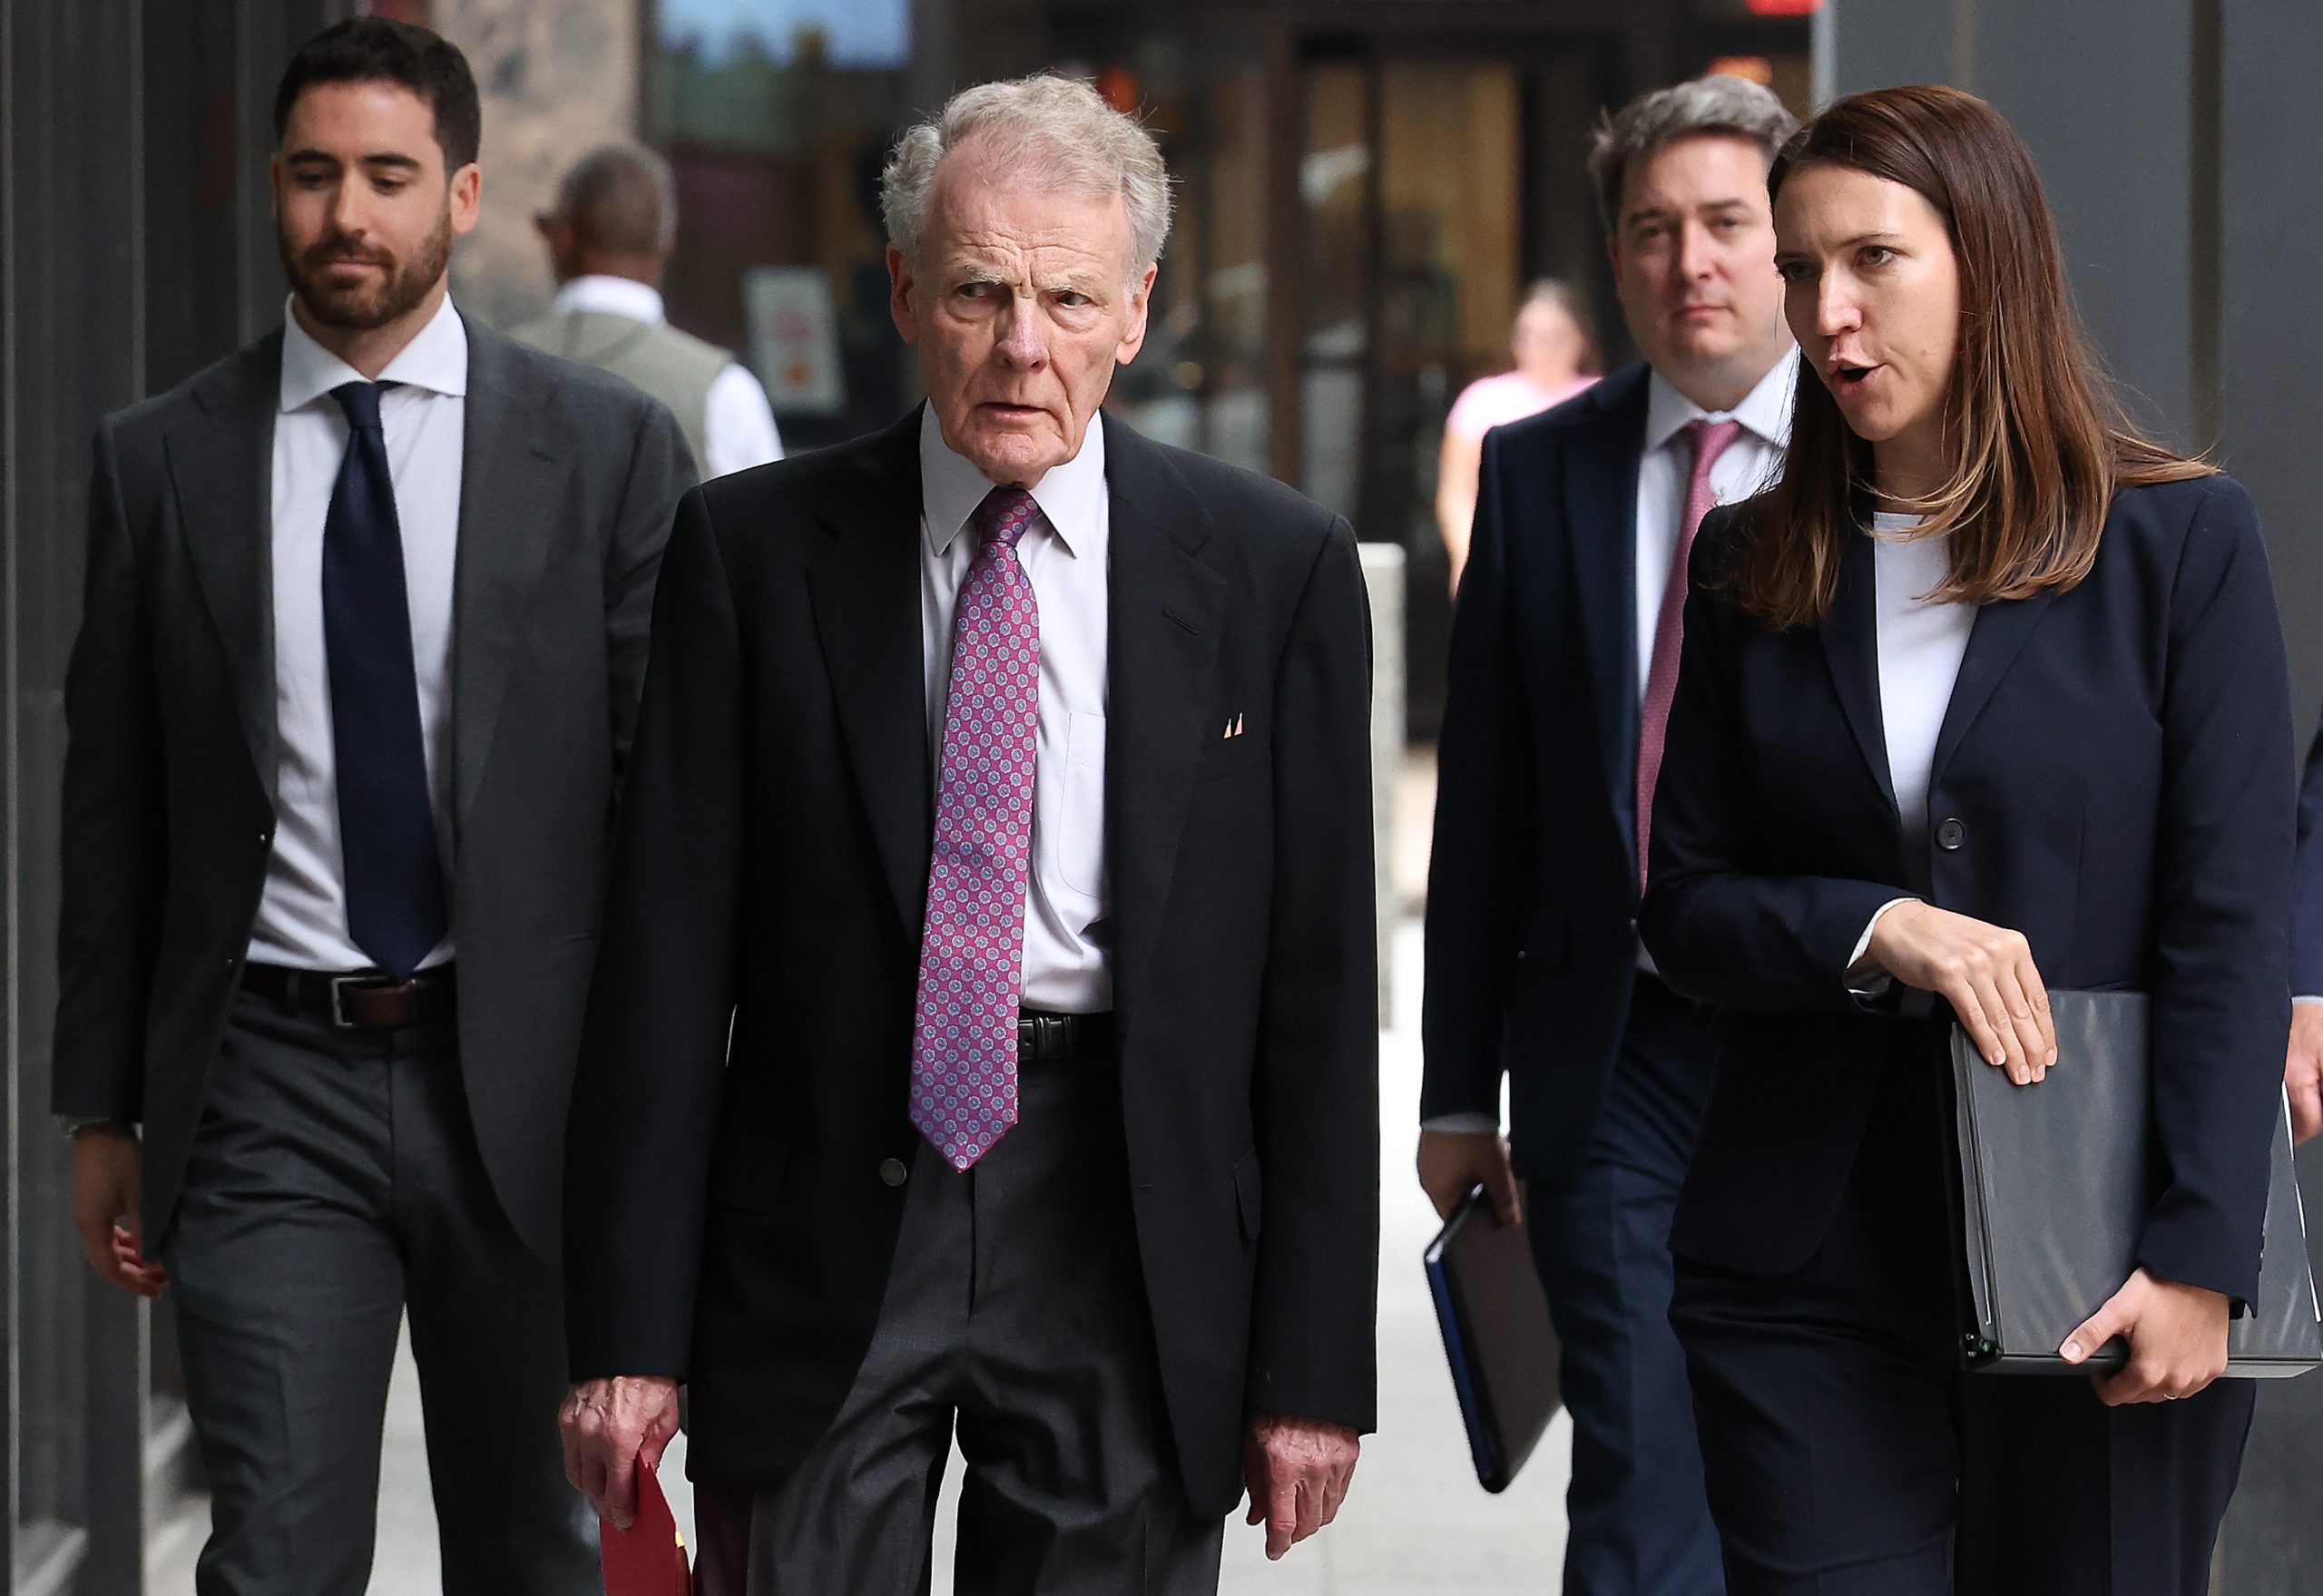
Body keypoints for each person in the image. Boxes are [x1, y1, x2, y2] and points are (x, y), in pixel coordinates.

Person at [555, 74, 1379, 1594]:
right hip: (818, 1211)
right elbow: (664, 970)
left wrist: (1313, 1361)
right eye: (982, 289)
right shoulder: (747, 555)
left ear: (1137, 311)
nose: (1022, 343)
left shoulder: (1278, 571)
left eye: (1069, 297)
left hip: (1125, 1215)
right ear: (904, 290)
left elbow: (1321, 998)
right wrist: (624, 1332)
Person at [51, 18, 695, 1594]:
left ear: (465, 194)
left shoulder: (606, 452)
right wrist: (100, 1102)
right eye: (317, 174)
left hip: (530, 1091)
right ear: (275, 188)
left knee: (540, 1553)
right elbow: (114, 799)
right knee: (271, 1554)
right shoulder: (162, 463)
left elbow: (665, 809)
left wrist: (675, 1117)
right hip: (269, 1080)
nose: (350, 213)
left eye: (390, 176)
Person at [1641, 84, 2289, 1594]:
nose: (1826, 311)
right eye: (1803, 271)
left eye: (1873, 260)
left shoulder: (2181, 549)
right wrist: (1877, 927)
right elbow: (1687, 902)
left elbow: (2231, 921)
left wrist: (2204, 1257)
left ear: (1987, 261)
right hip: (1803, 1267)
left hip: (2105, 1259)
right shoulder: (1753, 559)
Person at [1419, 73, 1798, 1596]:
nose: (1689, 260)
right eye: (1652, 229)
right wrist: (1457, 1088)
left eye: (1725, 223)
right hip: (1608, 1051)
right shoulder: (1538, 468)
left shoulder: (1879, 457)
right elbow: (1486, 806)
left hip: (1822, 1049)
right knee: (1639, 1479)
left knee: (1808, 1471)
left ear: (1794, 246)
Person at [512, 141, 782, 478]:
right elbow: (768, 527)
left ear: (563, 237)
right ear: (667, 241)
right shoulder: (725, 391)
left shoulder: (484, 370)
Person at [1436, 279, 1600, 590]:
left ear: (1581, 339)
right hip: (1500, 558)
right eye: (1529, 336)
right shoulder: (1482, 400)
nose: (1540, 347)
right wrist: (1466, 556)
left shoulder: (1604, 399)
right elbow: (1457, 489)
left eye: (1554, 337)